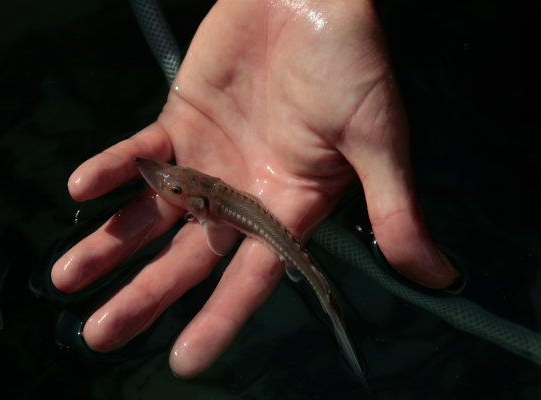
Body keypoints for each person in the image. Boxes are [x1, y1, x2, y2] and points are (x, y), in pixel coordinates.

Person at [51, 0, 456, 379]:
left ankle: (345, 336)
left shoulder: (208, 207)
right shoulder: (205, 195)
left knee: (322, 287)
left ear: (202, 202)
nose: (165, 185)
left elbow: (213, 235)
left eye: (173, 187)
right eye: (175, 186)